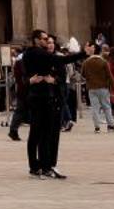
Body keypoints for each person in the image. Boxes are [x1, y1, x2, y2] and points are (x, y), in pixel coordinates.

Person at [20, 31, 84, 179]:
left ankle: (42, 166)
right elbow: (61, 60)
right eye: (45, 40)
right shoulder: (36, 54)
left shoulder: (36, 55)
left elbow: (60, 74)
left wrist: (53, 81)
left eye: (50, 41)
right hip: (40, 98)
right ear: (36, 40)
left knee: (42, 133)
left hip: (45, 98)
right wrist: (82, 54)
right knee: (40, 133)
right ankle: (40, 166)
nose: (47, 43)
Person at [82, 46, 114, 133]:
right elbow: (109, 75)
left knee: (95, 108)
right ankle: (110, 126)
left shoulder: (86, 62)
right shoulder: (103, 62)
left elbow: (83, 74)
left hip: (92, 87)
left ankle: (97, 127)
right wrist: (113, 86)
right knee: (107, 107)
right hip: (103, 87)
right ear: (100, 52)